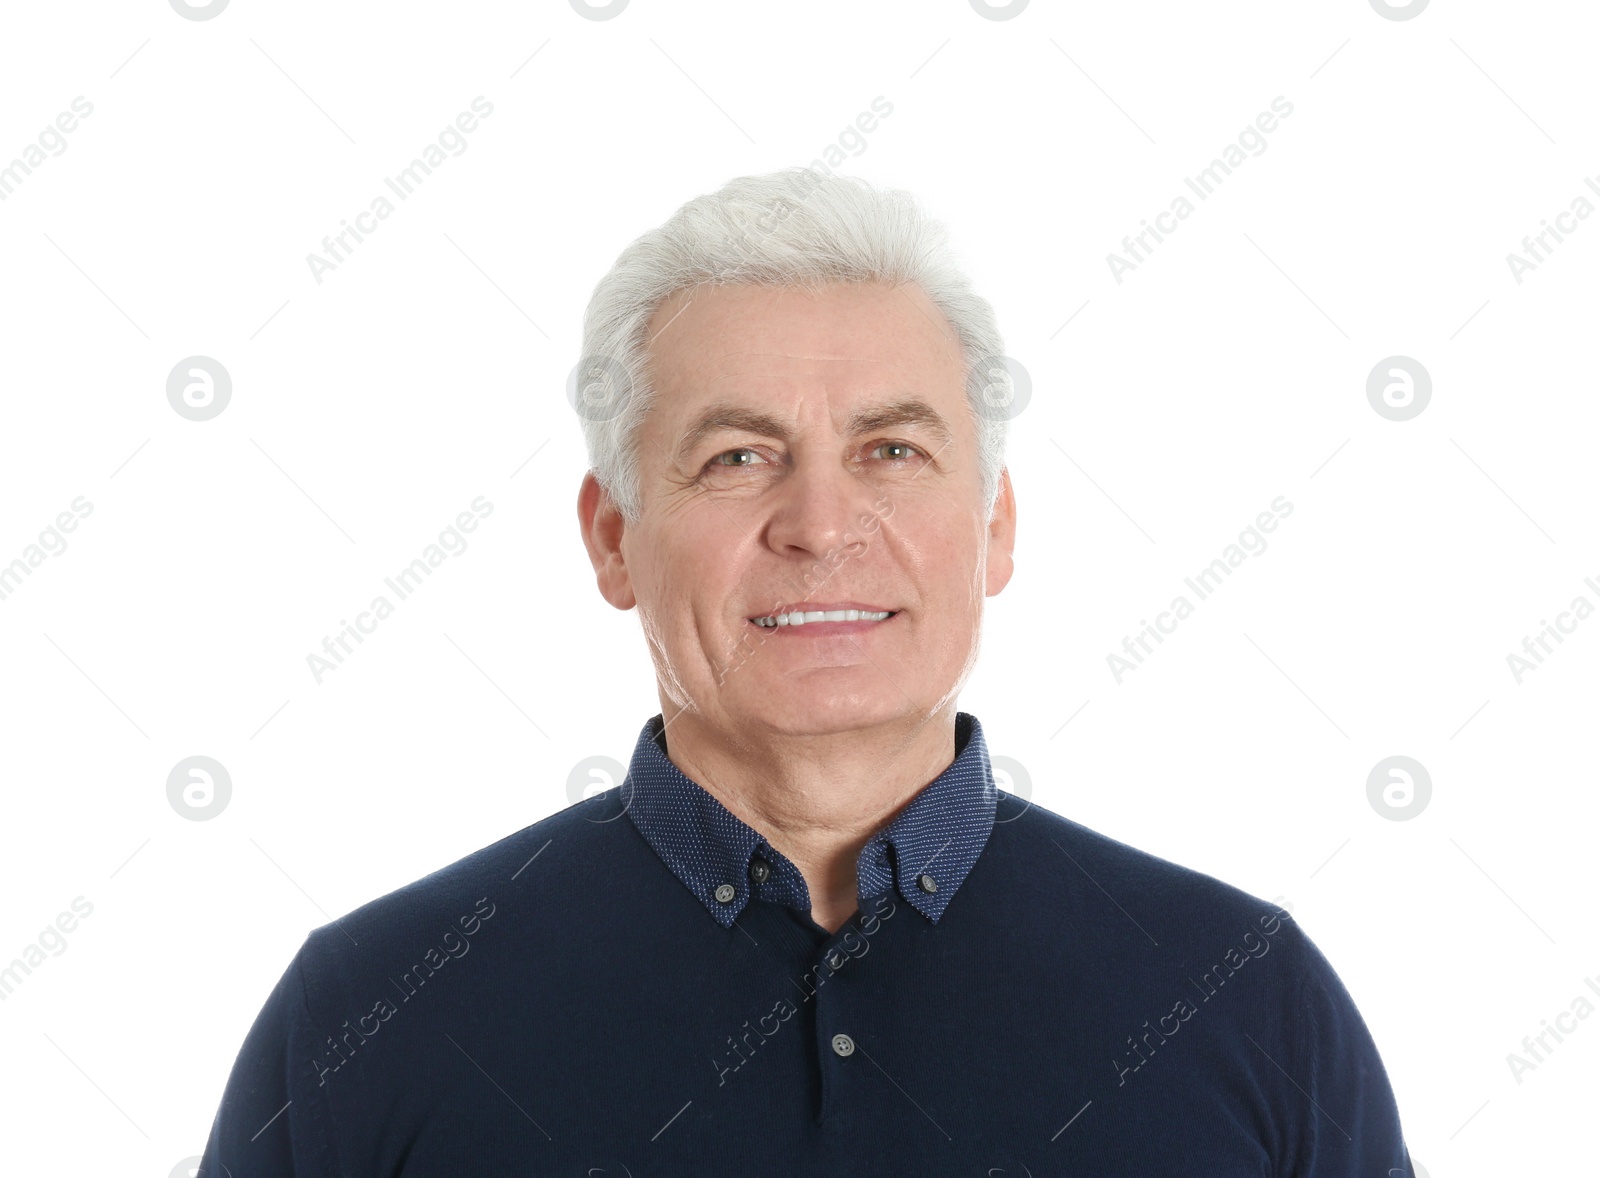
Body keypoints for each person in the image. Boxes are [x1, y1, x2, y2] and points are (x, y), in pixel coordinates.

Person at [199, 168, 1415, 1176]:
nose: (821, 523)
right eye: (737, 456)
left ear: (993, 526)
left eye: (891, 448)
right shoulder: (373, 1010)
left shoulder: (1244, 998)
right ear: (613, 536)